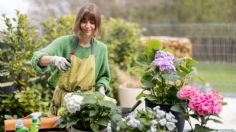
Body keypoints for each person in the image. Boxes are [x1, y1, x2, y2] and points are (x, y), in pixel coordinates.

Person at [31, 3, 111, 115]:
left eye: (92, 22)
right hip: (62, 103)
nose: (88, 26)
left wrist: (101, 91)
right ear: (78, 22)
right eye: (84, 21)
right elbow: (36, 58)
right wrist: (54, 59)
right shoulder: (64, 43)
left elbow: (104, 76)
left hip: (88, 104)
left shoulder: (101, 49)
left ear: (97, 25)